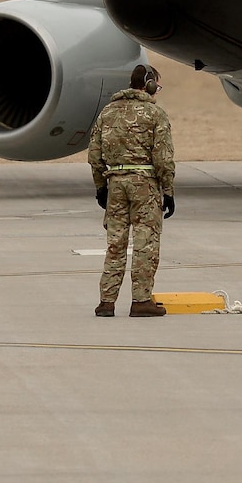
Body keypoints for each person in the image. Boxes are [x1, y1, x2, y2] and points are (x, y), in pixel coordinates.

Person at [88, 63, 177, 318]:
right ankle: (141, 300)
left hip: (115, 183)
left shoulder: (107, 112)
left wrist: (100, 186)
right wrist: (168, 189)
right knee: (144, 243)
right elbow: (163, 156)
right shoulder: (154, 113)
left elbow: (94, 154)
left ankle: (106, 301)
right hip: (144, 185)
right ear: (148, 84)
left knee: (115, 243)